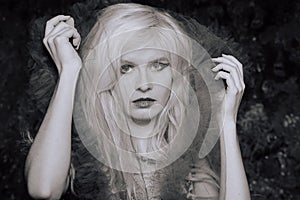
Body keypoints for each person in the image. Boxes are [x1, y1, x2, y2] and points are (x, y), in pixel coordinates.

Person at [24, 2, 250, 200]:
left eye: (159, 65)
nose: (144, 84)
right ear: (105, 77)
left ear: (175, 76)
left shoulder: (190, 170)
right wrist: (70, 70)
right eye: (126, 67)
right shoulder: (79, 156)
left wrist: (226, 120)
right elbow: (43, 190)